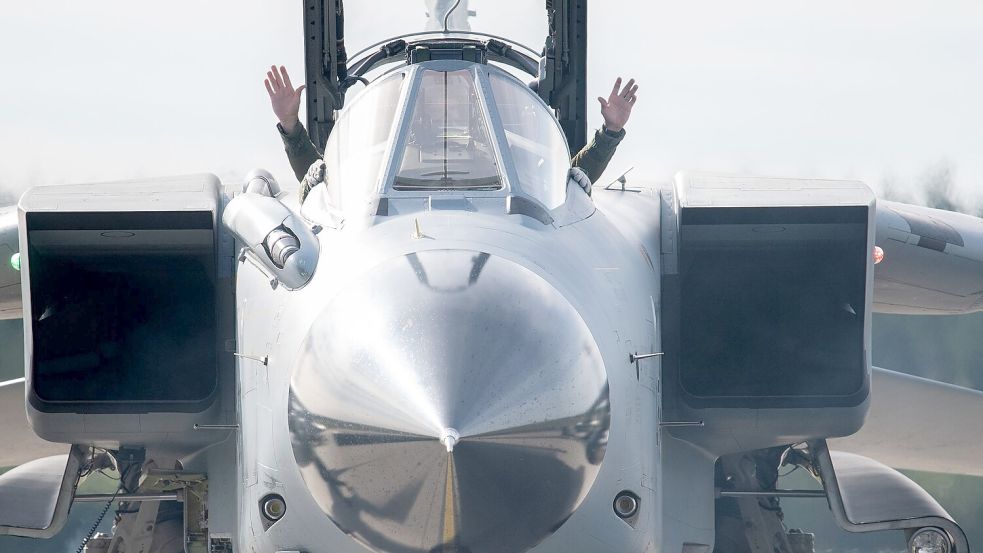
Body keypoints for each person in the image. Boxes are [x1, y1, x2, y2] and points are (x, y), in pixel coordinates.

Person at [264, 65, 638, 199]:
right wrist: (291, 126)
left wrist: (610, 132)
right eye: (435, 92)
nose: (446, 99)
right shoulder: (382, 159)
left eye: (456, 90)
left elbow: (563, 185)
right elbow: (325, 186)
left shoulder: (507, 157)